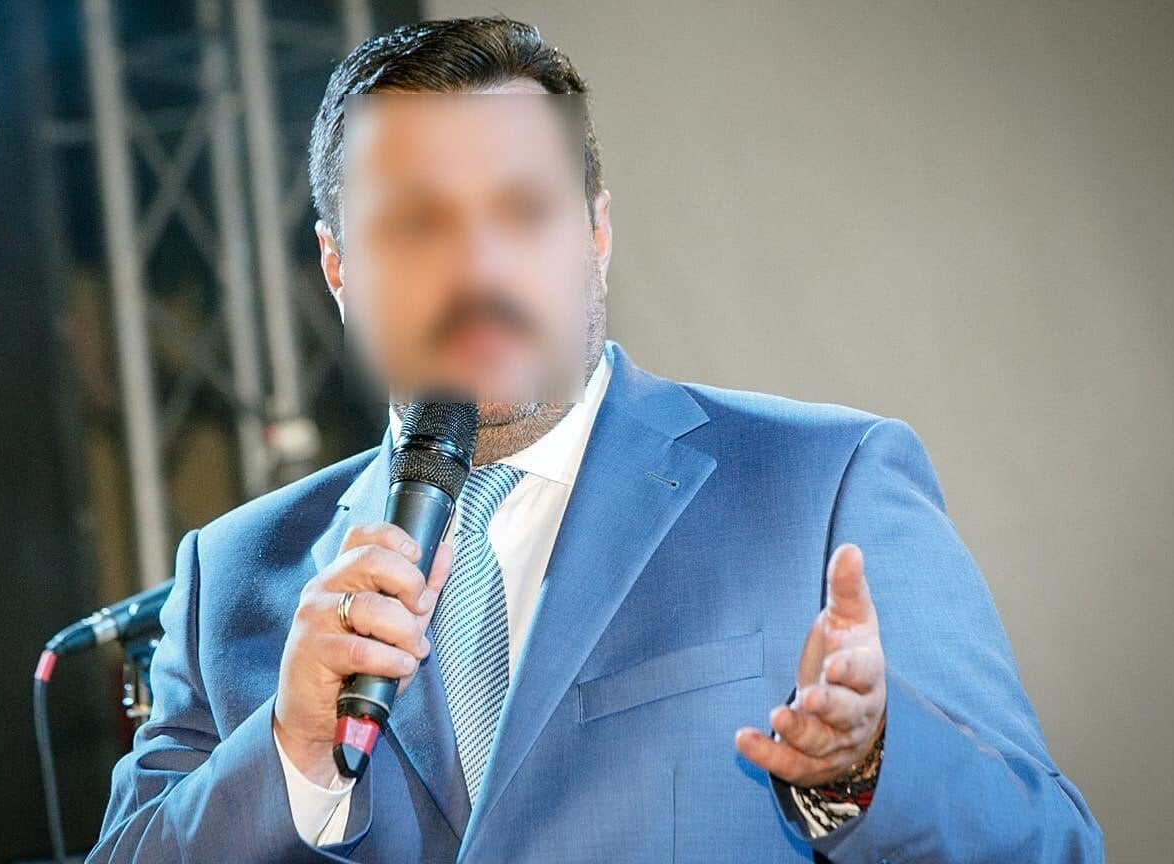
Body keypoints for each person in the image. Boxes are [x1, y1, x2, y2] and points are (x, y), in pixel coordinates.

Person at [88, 15, 1103, 863]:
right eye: (418, 224)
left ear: (597, 233)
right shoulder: (231, 578)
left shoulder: (822, 484)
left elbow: (1050, 844)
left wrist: (866, 770)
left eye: (523, 210)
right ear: (337, 266)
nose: (479, 265)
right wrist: (289, 749)